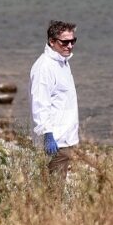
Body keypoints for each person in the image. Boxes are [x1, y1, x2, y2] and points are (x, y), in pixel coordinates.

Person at [30, 20, 80, 180]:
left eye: (73, 41)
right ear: (52, 41)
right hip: (54, 143)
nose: (70, 46)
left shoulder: (63, 62)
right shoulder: (44, 67)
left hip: (66, 139)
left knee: (54, 189)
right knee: (53, 192)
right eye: (64, 42)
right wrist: (48, 134)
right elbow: (39, 103)